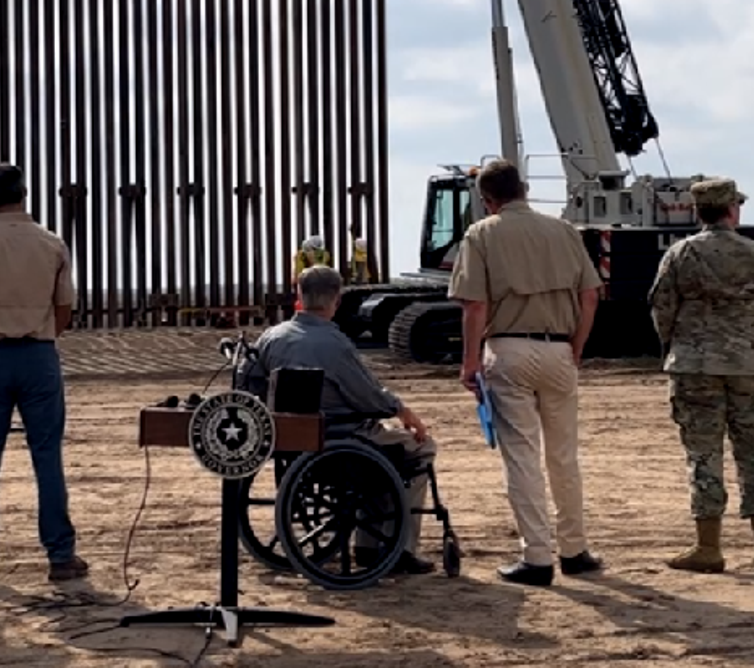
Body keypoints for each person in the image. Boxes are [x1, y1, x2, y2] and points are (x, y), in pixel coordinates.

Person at [448, 158, 605, 586]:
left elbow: (475, 305)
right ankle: (575, 550)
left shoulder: (481, 235)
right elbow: (590, 296)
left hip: (510, 348)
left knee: (522, 457)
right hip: (559, 350)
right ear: (525, 189)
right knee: (564, 455)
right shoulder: (564, 231)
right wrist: (574, 349)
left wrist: (470, 361)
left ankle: (537, 556)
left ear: (487, 200)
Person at [0, 162, 89, 586]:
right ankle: (61, 557)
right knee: (47, 459)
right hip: (39, 356)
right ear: (25, 193)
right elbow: (64, 310)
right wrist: (40, 335)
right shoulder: (50, 243)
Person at [239, 264, 437, 575]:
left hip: (291, 443)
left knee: (376, 451)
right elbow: (368, 396)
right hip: (341, 438)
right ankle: (392, 547)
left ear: (299, 297)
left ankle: (369, 544)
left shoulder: (271, 338)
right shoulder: (335, 344)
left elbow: (249, 385)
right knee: (419, 449)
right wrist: (402, 411)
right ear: (336, 299)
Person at [649, 177, 754, 573]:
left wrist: (677, 346)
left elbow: (662, 308)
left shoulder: (681, 254)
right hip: (751, 366)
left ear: (698, 212)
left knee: (703, 454)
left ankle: (708, 546)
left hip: (696, 367)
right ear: (732, 209)